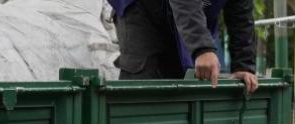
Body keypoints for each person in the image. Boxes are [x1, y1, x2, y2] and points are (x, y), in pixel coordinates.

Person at [107, 0, 259, 94]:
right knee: (145, 80)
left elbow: (241, 14)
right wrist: (202, 48)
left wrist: (243, 66)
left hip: (195, 11)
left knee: (189, 77)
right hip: (143, 8)